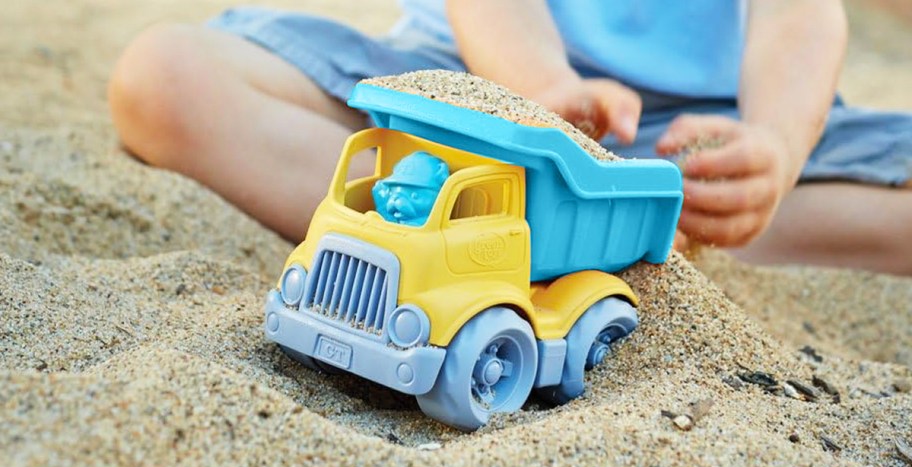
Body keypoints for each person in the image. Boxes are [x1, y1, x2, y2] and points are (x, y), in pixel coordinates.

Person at [108, 0, 912, 275]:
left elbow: (799, 17)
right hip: (468, 94)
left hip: (701, 133)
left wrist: (772, 147)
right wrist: (543, 95)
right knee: (168, 79)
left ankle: (605, 233)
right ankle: (493, 221)